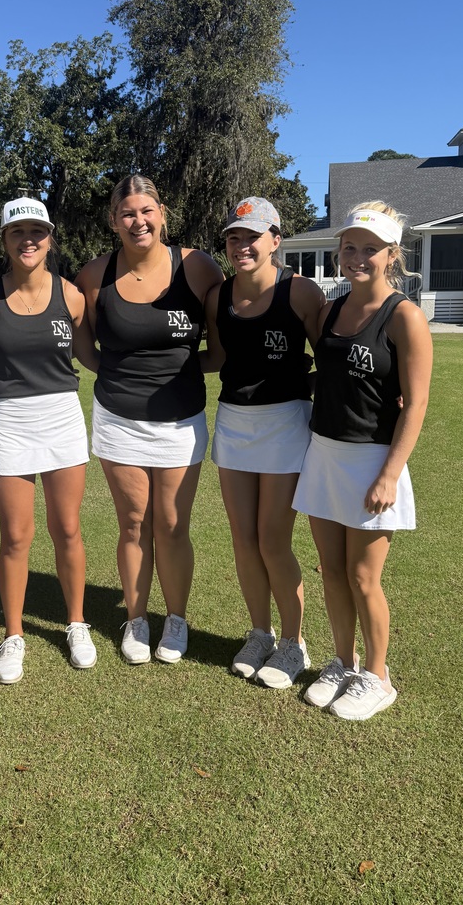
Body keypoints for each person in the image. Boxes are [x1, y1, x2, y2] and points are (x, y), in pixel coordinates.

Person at [293, 202, 432, 720]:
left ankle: (378, 676)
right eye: (349, 247)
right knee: (331, 569)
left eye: (370, 249)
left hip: (373, 460)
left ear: (392, 255)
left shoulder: (405, 317)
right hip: (324, 453)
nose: (357, 257)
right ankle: (344, 662)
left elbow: (415, 403)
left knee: (362, 576)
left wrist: (390, 473)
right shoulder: (331, 309)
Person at [76, 174, 223, 664]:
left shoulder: (197, 267)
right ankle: (136, 620)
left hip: (181, 421)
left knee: (173, 524)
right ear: (113, 221)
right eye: (127, 213)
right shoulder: (94, 275)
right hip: (118, 419)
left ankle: (175, 621)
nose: (138, 221)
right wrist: (125, 381)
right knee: (133, 524)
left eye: (146, 211)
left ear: (162, 213)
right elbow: (87, 350)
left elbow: (219, 350)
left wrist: (177, 374)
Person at [0, 197, 98, 685]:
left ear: (50, 238)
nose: (28, 240)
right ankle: (13, 635)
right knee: (16, 536)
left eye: (37, 232)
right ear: (3, 239)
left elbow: (86, 353)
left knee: (67, 528)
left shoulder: (72, 295)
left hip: (62, 416)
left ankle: (77, 623)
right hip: (9, 422)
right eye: (17, 232)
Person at [203, 196, 325, 689]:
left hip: (285, 422)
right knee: (243, 538)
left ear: (276, 240)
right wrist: (147, 368)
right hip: (234, 421)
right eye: (234, 237)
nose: (242, 245)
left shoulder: (299, 292)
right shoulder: (219, 296)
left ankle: (294, 644)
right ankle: (260, 632)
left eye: (252, 236)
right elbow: (214, 358)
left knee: (273, 538)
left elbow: (330, 356)